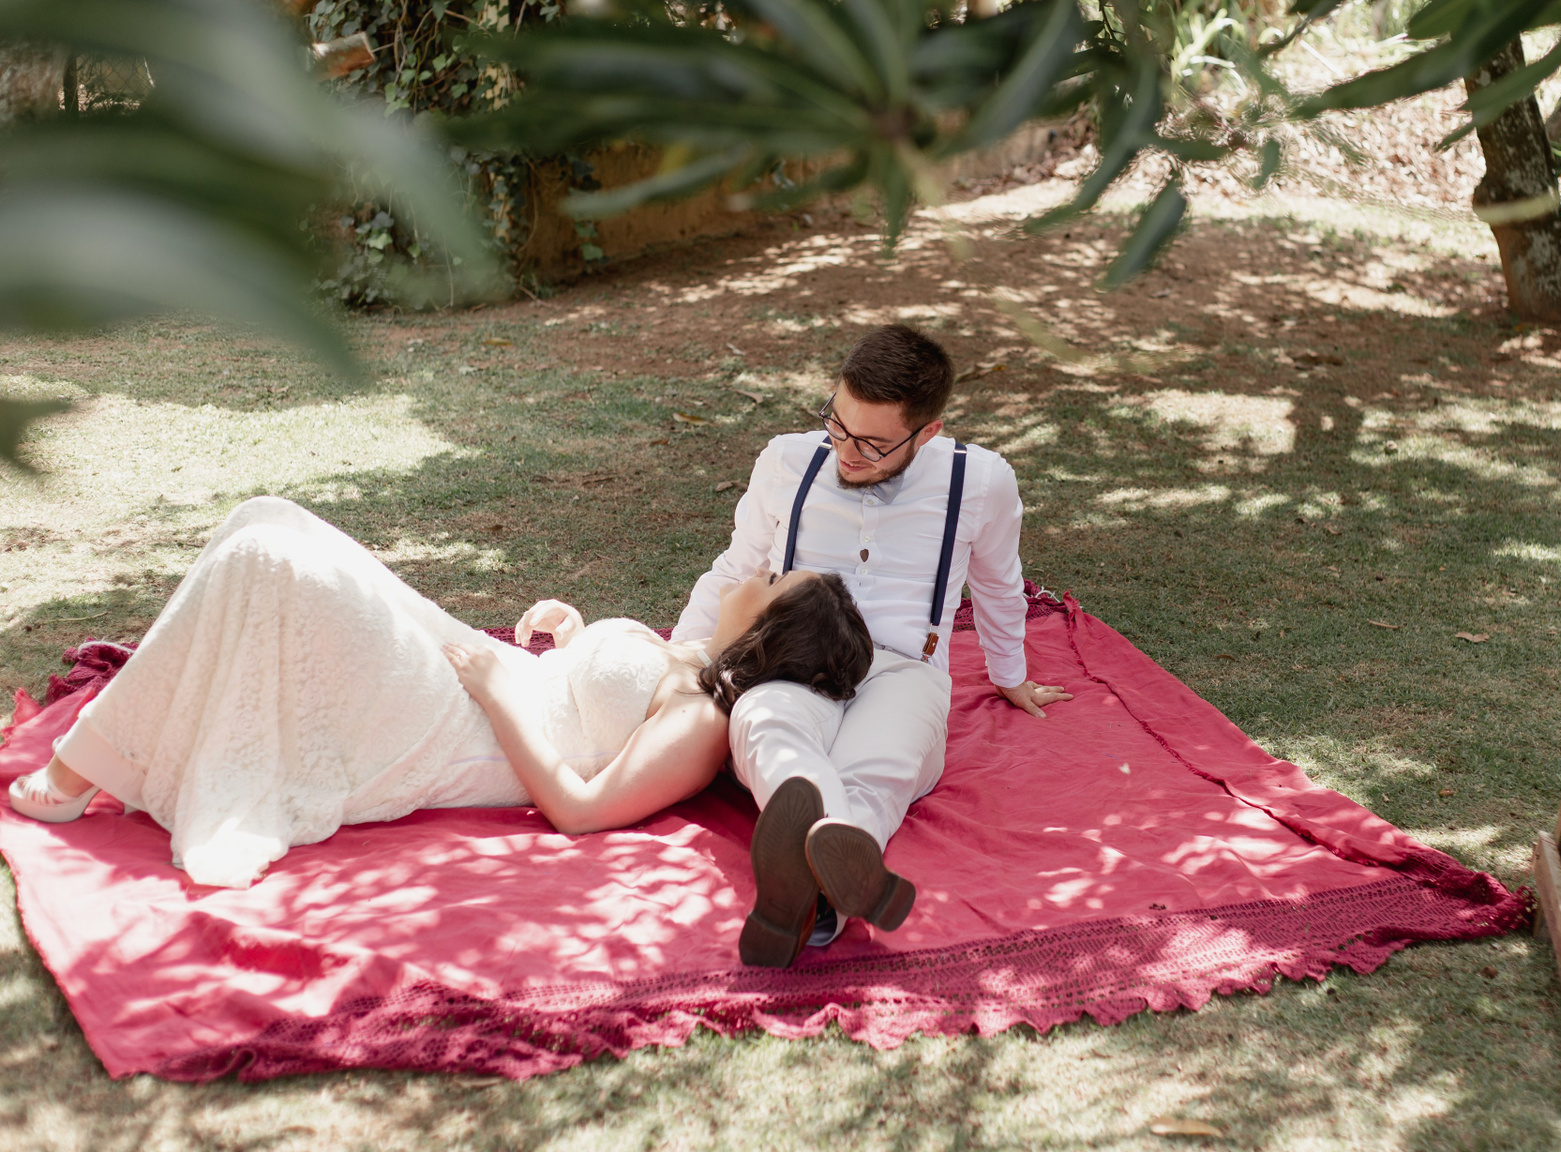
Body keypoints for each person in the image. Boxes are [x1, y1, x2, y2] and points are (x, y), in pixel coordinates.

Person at [7, 496, 874, 890]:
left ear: (772, 629)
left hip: (458, 730)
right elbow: (595, 699)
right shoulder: (688, 655)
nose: (761, 571)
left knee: (263, 563)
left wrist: (501, 695)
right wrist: (575, 633)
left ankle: (87, 762)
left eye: (775, 581)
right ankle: (115, 748)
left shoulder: (703, 724)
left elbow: (581, 808)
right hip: (475, 675)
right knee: (264, 519)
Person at [675, 324, 1072, 968]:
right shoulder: (786, 461)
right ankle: (829, 884)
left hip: (904, 670)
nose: (847, 452)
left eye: (873, 444)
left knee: (883, 763)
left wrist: (1010, 674)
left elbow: (999, 585)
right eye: (838, 425)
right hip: (793, 658)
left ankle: (812, 885)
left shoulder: (980, 482)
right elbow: (734, 568)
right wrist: (680, 655)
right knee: (764, 722)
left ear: (928, 432)